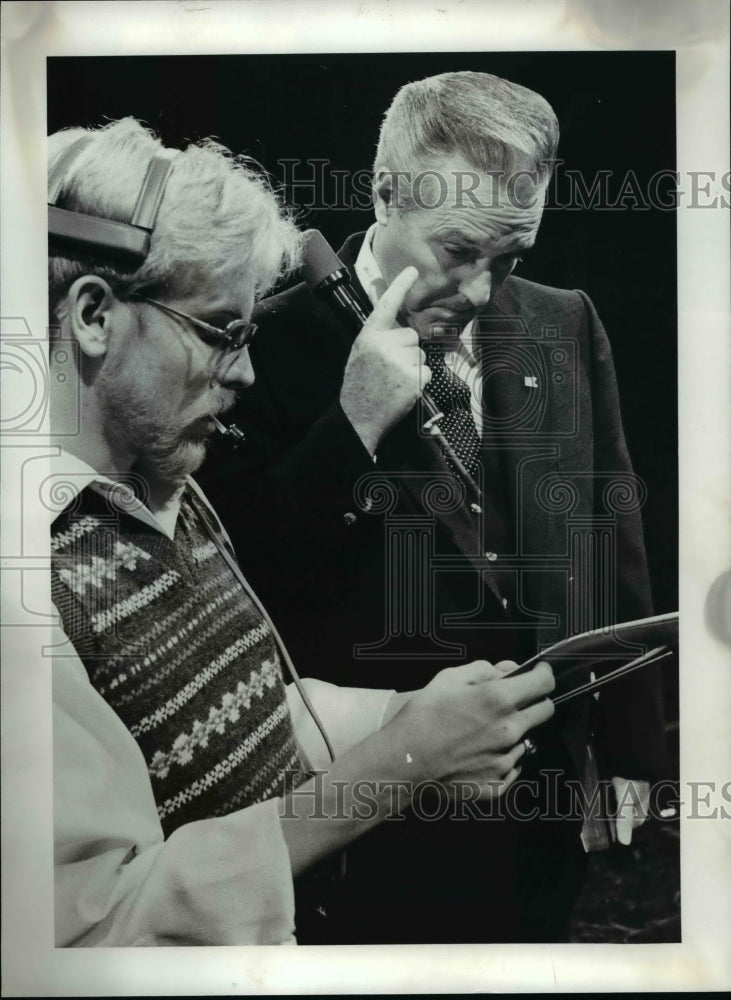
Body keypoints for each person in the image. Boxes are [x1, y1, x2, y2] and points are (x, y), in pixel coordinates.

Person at [46, 117, 559, 947]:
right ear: (96, 314)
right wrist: (400, 765)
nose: (244, 371)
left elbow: (247, 707)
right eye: (220, 331)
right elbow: (97, 928)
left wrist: (408, 713)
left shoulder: (160, 488)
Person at [198, 71, 667, 943]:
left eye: (511, 257)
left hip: (540, 802)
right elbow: (239, 587)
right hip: (364, 819)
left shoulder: (563, 322)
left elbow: (609, 534)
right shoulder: (264, 340)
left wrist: (634, 749)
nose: (483, 291)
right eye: (457, 251)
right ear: (384, 192)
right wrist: (353, 426)